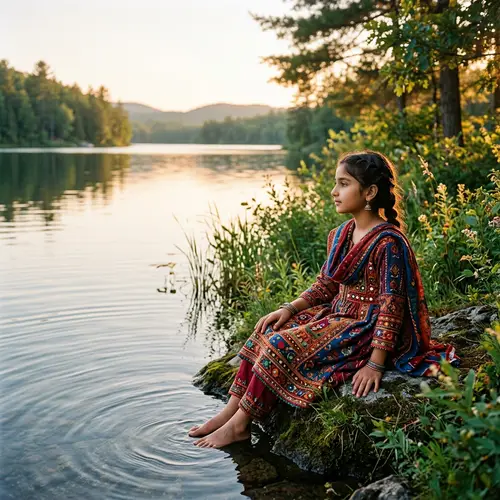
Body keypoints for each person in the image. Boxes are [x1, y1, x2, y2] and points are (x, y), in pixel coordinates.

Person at [189, 150, 459, 449]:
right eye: (336, 183)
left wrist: (375, 364)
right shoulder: (341, 234)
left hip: (365, 328)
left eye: (343, 184)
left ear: (369, 192)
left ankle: (241, 425)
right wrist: (289, 308)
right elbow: (326, 284)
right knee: (268, 328)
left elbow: (392, 307)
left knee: (281, 346)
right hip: (338, 314)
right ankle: (229, 411)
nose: (334, 191)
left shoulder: (388, 242)